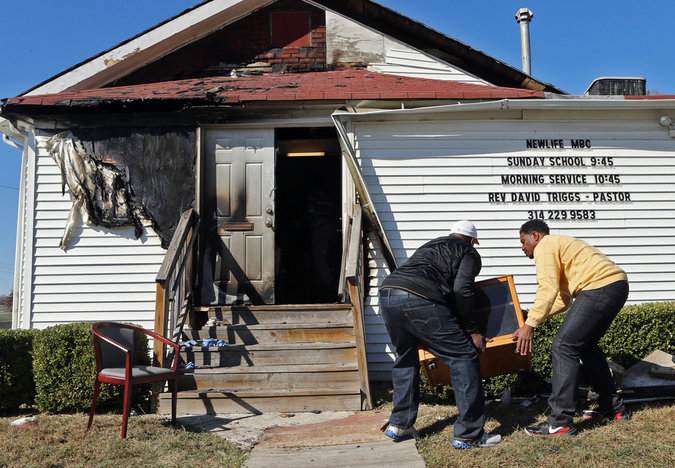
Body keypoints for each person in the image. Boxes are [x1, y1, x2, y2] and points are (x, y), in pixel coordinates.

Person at [379, 220, 502, 449]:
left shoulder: (430, 246)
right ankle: (469, 435)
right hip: (420, 297)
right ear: (472, 241)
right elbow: (461, 289)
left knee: (405, 359)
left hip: (388, 294)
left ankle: (400, 424)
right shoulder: (468, 252)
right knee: (464, 357)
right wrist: (473, 330)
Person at [513, 219, 629, 436]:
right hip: (616, 285)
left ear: (535, 236)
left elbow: (547, 288)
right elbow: (562, 300)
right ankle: (614, 409)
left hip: (598, 287)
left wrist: (530, 324)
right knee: (586, 347)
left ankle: (560, 422)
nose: (522, 247)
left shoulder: (545, 246)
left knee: (563, 348)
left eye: (523, 241)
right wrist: (532, 316)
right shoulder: (560, 246)